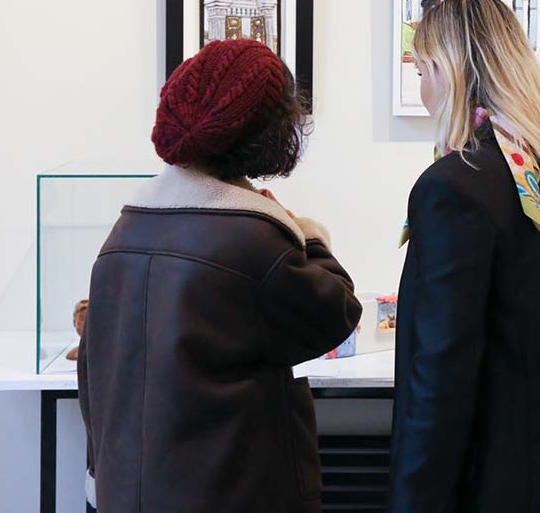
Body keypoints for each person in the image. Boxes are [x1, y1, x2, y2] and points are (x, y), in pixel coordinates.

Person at [78, 38, 362, 512]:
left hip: (129, 492)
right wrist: (307, 234)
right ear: (269, 131)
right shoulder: (252, 239)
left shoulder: (123, 233)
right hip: (231, 493)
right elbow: (335, 313)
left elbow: (93, 371)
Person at [390, 0, 540, 513]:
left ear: (449, 72)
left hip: (501, 481)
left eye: (423, 71)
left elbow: (440, 377)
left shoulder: (455, 187)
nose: (422, 90)